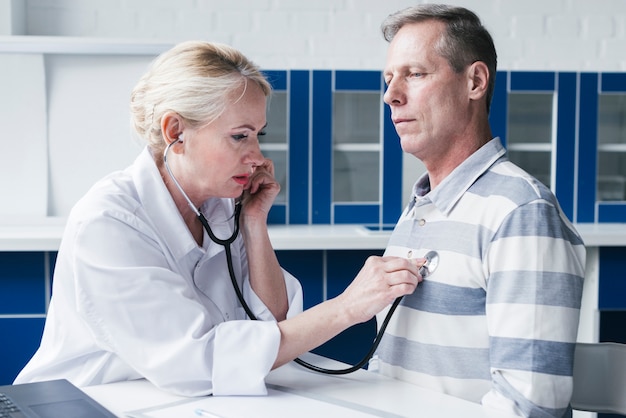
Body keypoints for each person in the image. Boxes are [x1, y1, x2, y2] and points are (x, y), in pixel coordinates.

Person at [15, 40, 422, 397]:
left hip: (162, 400)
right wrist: (347, 308)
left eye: (258, 136)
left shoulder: (220, 206)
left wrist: (254, 224)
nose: (259, 157)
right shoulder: (108, 222)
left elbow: (273, 323)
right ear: (175, 131)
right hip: (82, 402)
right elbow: (197, 362)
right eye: (239, 136)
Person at [373, 4, 586, 418]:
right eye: (388, 78)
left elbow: (530, 407)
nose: (391, 95)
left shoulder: (522, 213)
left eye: (414, 74)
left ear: (474, 81)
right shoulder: (421, 209)